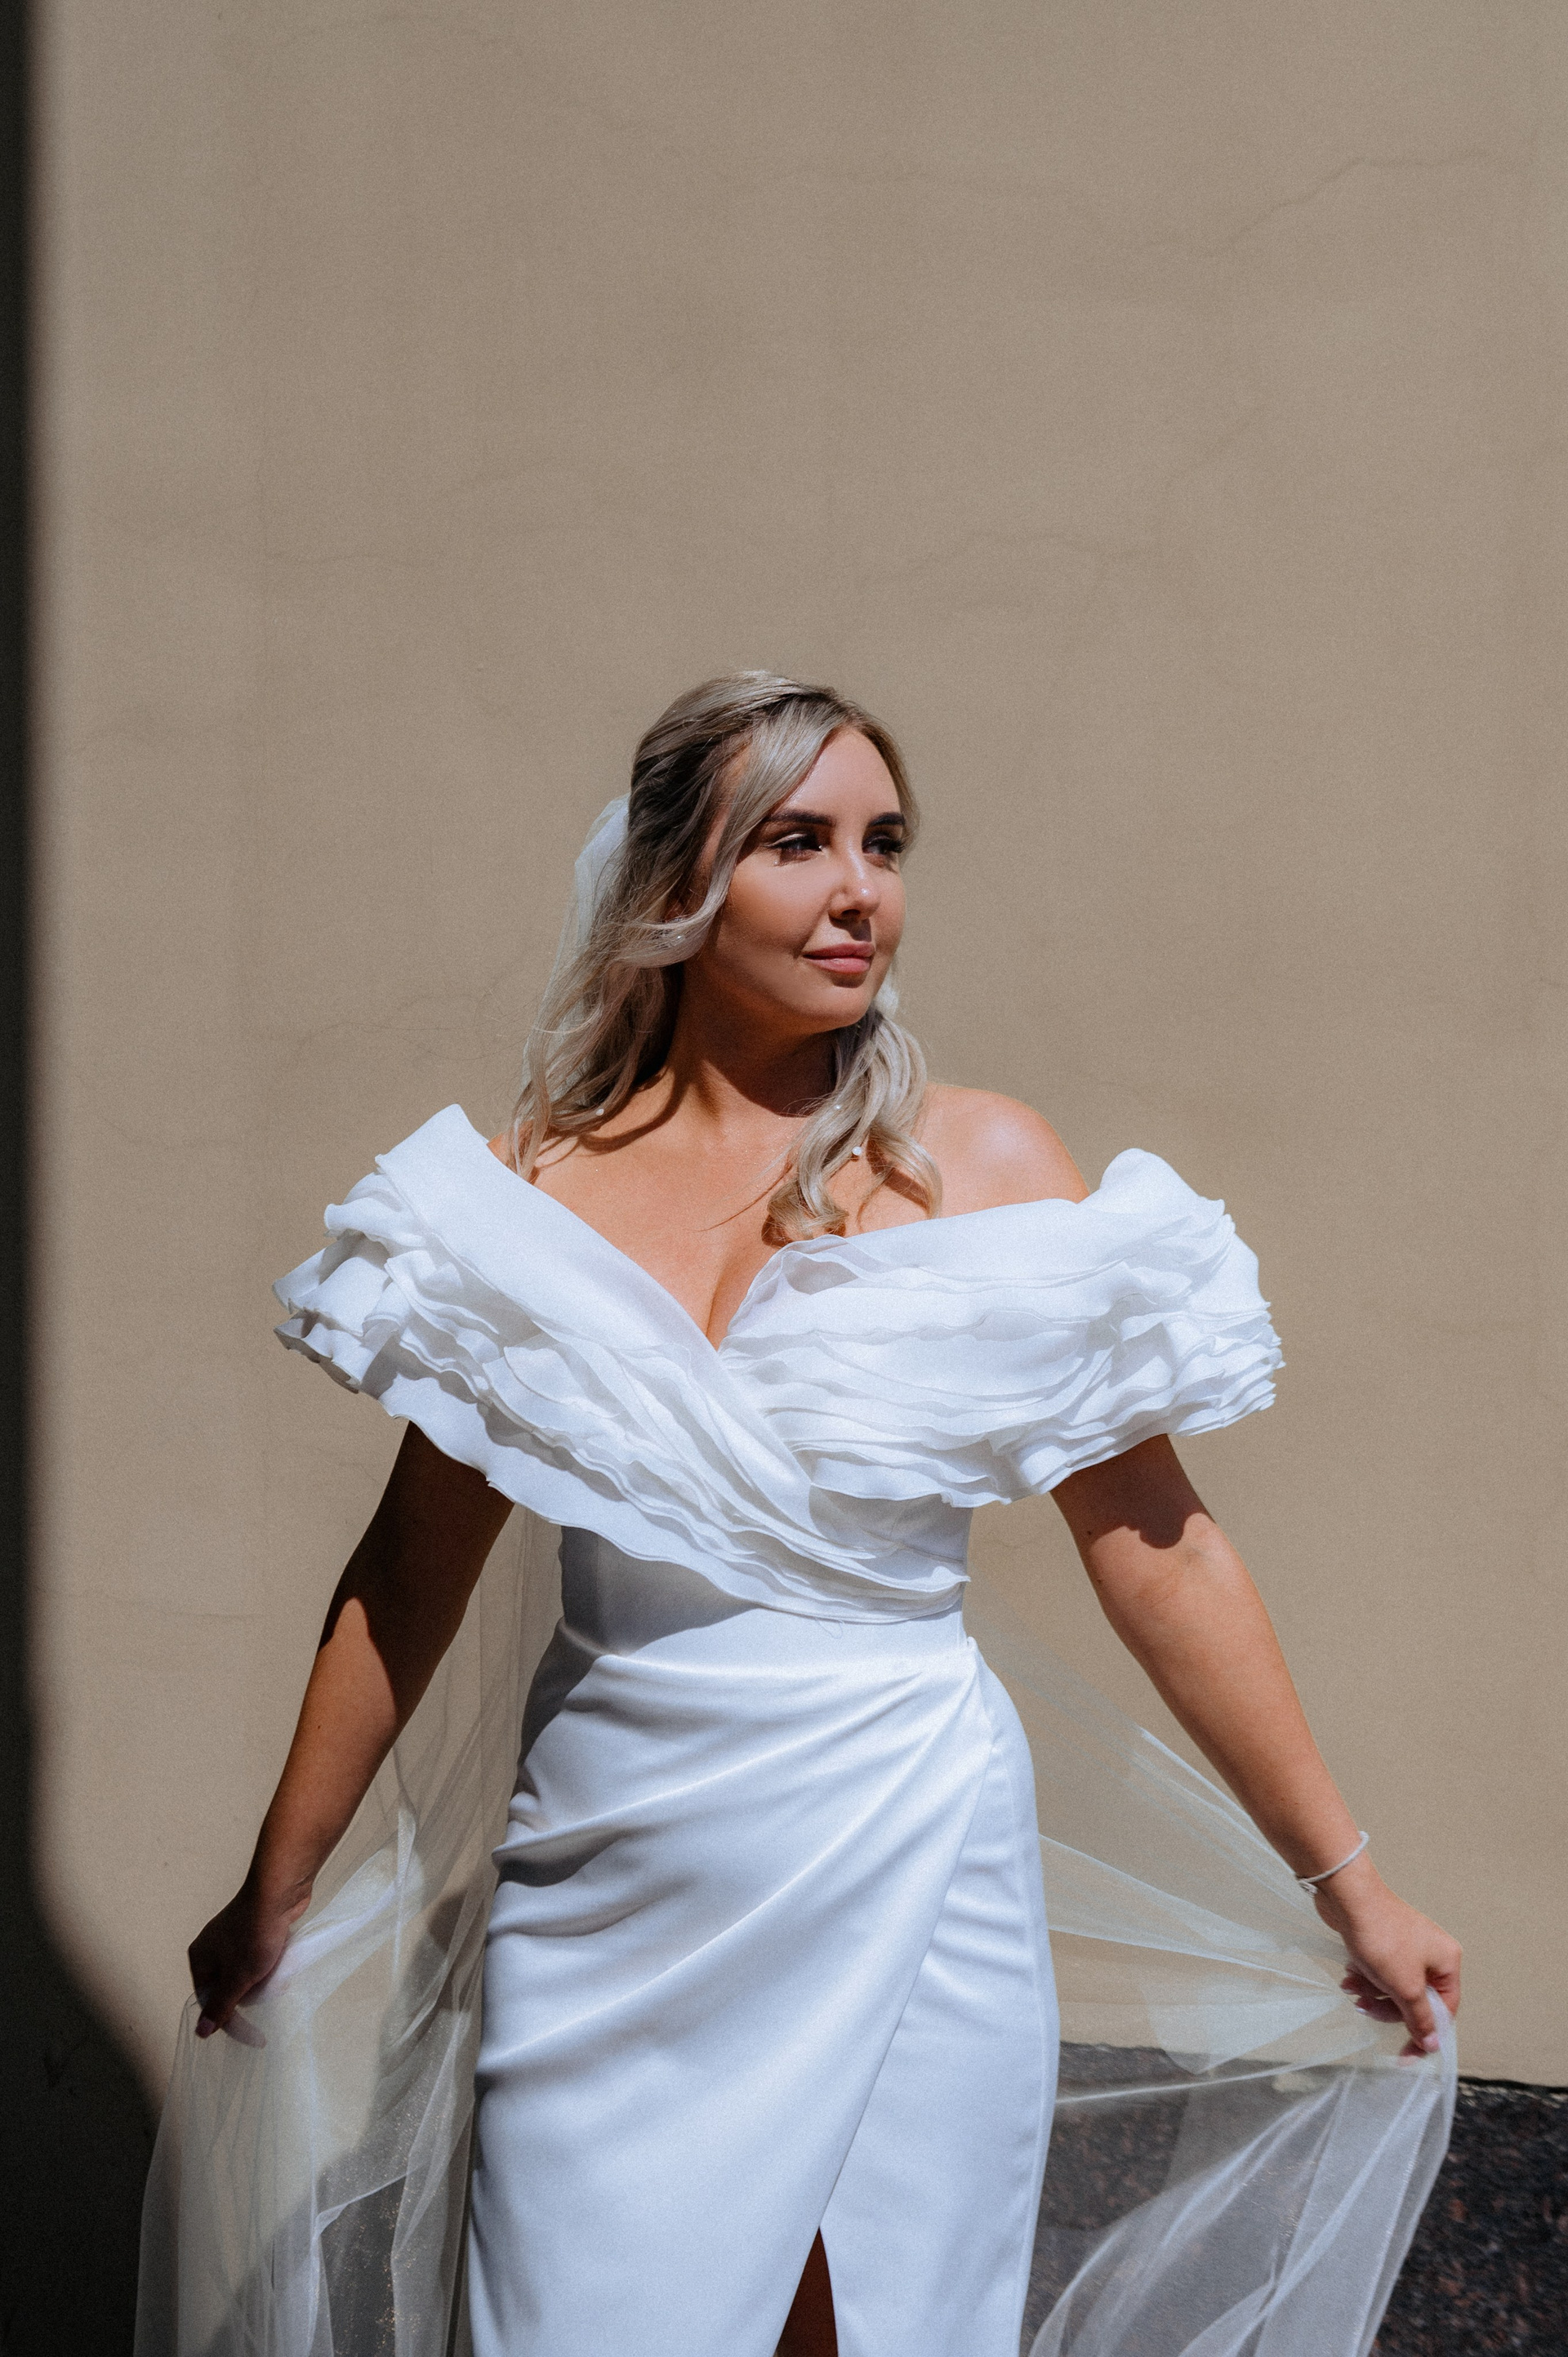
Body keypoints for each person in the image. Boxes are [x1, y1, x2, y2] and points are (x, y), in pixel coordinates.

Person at [156, 673, 1460, 2357]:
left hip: (905, 1847)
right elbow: (412, 1566)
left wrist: (1352, 1884)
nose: (861, 893)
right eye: (799, 843)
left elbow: (1162, 1549)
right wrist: (278, 1884)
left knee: (883, 2318)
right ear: (674, 885)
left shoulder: (980, 1169)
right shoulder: (525, 1190)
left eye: (885, 845)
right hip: (605, 1881)